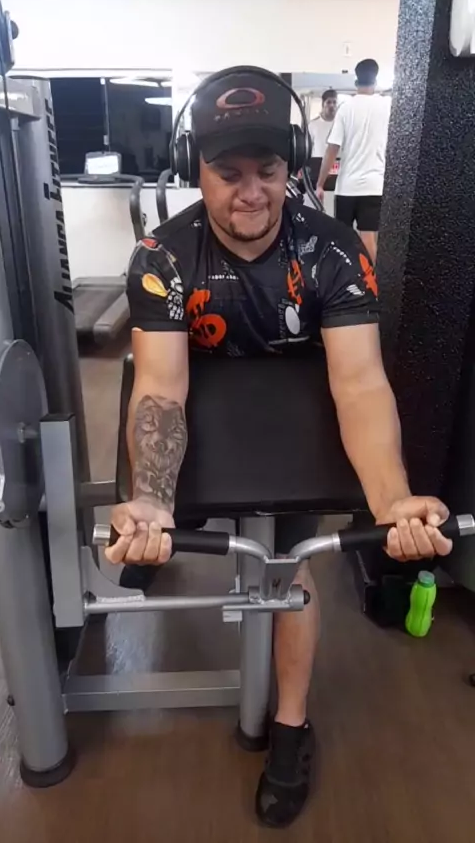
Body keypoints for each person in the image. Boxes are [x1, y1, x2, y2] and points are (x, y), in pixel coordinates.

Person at [107, 67, 452, 829]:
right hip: (207, 405)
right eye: (227, 173)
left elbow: (359, 384)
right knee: (170, 521)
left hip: (297, 417)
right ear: (194, 168)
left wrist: (391, 500)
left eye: (266, 170)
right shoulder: (163, 257)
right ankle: (164, 534)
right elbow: (161, 387)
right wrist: (152, 501)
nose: (251, 192)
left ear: (291, 164)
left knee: (289, 565)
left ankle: (291, 727)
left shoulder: (333, 252)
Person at [316, 59, 391, 262]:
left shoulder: (346, 108)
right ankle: (371, 280)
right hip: (374, 186)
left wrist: (320, 184)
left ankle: (346, 277)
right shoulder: (386, 107)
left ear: (356, 82)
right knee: (368, 239)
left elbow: (332, 149)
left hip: (347, 187)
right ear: (375, 81)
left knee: (343, 239)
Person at [308, 88, 338, 157]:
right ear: (323, 104)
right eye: (328, 102)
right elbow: (308, 148)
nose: (332, 106)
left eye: (334, 102)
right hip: (317, 162)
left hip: (337, 162)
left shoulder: (341, 124)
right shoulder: (312, 125)